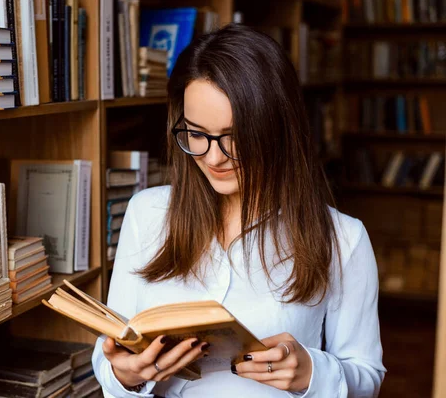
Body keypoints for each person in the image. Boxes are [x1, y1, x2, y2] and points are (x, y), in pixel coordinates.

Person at [92, 23, 386, 397]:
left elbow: (367, 378)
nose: (213, 157)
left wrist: (312, 372)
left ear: (276, 129)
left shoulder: (344, 238)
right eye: (196, 134)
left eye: (234, 138)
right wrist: (127, 376)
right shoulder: (146, 213)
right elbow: (107, 360)